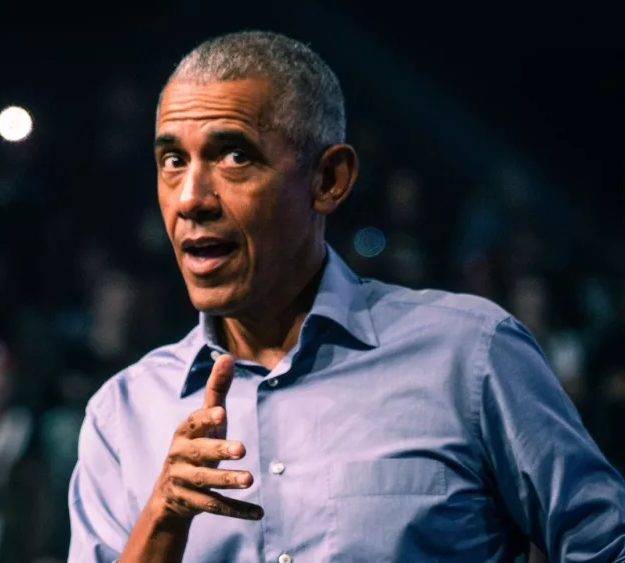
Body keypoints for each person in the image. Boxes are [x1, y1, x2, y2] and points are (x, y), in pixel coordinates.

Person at [67, 30, 625, 562]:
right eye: (173, 160)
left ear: (329, 179)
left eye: (234, 155)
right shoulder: (121, 417)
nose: (191, 197)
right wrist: (162, 520)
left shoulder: (470, 357)